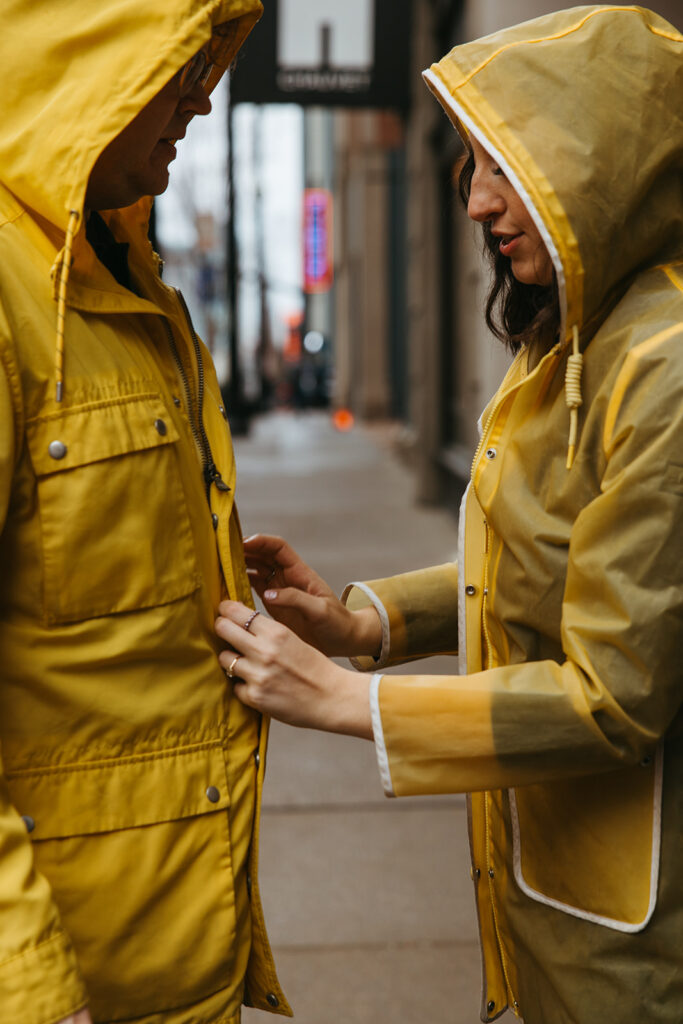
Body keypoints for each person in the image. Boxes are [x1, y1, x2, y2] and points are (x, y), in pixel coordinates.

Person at [214, 6, 683, 1023]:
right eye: (469, 166)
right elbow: (543, 555)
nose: (475, 201)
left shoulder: (662, 370)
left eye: (503, 167)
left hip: (644, 938)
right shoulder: (576, 339)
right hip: (573, 894)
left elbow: (612, 694)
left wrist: (346, 700)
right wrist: (368, 621)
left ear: (604, 164)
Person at [0, 2, 290, 1022]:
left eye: (205, 67)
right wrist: (25, 986)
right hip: (70, 970)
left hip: (166, 941)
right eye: (176, 64)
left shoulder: (125, 287)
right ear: (86, 63)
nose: (198, 98)